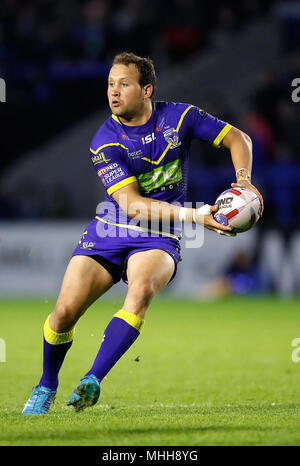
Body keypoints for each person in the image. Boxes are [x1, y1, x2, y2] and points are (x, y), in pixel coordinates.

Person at [22, 52, 263, 414]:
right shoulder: (105, 140)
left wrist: (244, 183)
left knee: (141, 291)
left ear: (146, 89)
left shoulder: (180, 117)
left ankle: (93, 379)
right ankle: (46, 384)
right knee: (63, 314)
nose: (113, 92)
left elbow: (238, 138)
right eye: (110, 84)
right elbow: (133, 205)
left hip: (160, 235)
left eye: (123, 84)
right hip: (112, 226)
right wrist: (196, 216)